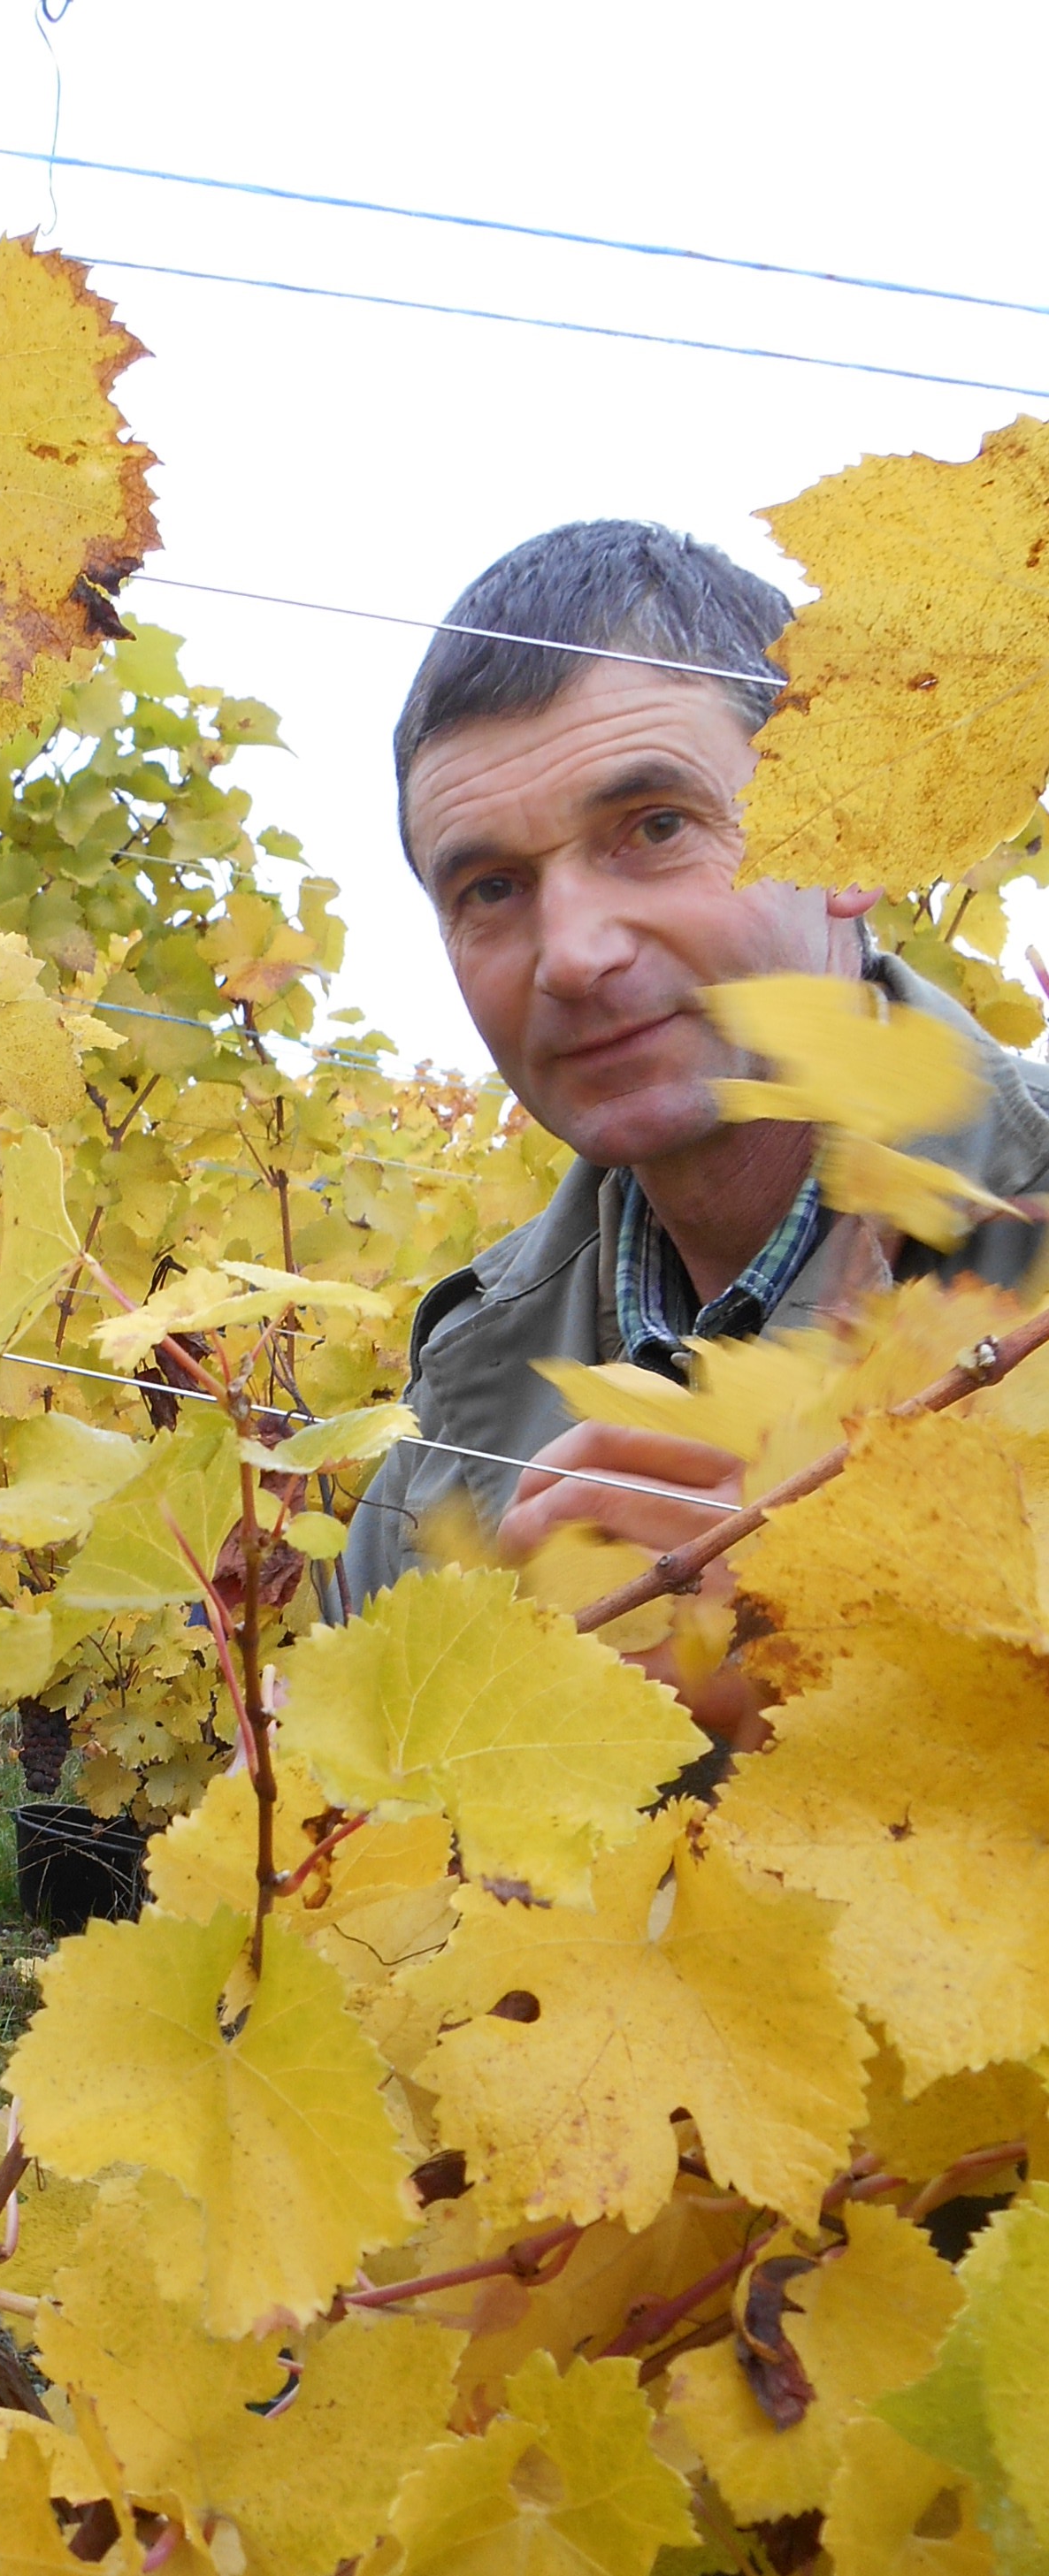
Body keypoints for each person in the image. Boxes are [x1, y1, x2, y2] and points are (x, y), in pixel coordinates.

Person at [341, 520, 1049, 1731]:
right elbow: (344, 1878)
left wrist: (837, 1657)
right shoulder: (456, 1408)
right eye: (492, 890)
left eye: (656, 826)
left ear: (850, 835)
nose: (573, 952)